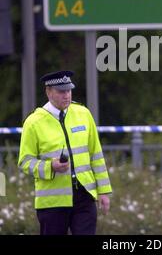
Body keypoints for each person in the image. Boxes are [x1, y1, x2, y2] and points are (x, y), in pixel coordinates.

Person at [18, 70, 112, 235]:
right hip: (52, 201)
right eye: (61, 91)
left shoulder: (83, 114)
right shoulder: (33, 122)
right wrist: (50, 167)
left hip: (84, 196)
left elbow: (96, 154)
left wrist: (103, 191)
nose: (66, 95)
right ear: (48, 91)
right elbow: (25, 162)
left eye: (69, 90)